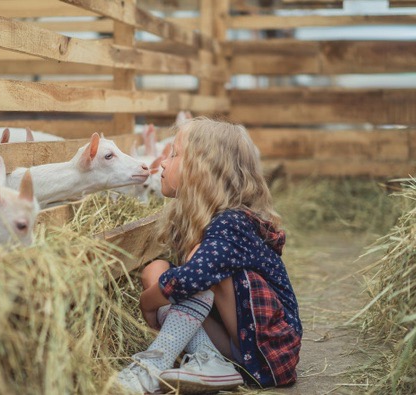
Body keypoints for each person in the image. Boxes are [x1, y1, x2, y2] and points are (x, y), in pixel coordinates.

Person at [116, 117, 302, 394]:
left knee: (196, 269)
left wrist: (147, 302)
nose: (163, 163)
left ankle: (153, 364)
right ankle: (208, 359)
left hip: (269, 354)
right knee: (155, 269)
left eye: (175, 154)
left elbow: (192, 279)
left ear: (203, 171)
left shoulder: (232, 223)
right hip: (236, 344)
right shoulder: (205, 223)